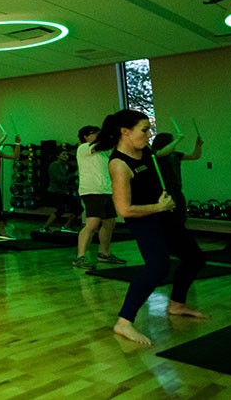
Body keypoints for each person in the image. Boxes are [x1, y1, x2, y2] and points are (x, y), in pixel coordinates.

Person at [97, 110, 206, 345]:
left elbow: (161, 154)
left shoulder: (144, 151)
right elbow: (124, 210)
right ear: (125, 131)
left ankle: (177, 304)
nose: (149, 135)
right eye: (144, 130)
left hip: (164, 214)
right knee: (158, 268)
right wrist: (158, 207)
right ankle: (124, 323)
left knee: (195, 257)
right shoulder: (119, 164)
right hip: (144, 220)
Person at [73, 126, 126, 269]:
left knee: (109, 223)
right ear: (86, 136)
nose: (98, 135)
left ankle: (104, 254)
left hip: (105, 190)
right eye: (95, 133)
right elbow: (104, 144)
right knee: (92, 224)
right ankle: (80, 257)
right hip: (91, 190)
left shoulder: (104, 152)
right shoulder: (84, 148)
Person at [152, 130, 203, 226]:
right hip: (164, 192)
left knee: (181, 217)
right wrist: (179, 139)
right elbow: (161, 153)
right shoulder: (156, 154)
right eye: (171, 142)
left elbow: (194, 156)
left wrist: (198, 145)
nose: (174, 145)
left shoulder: (175, 155)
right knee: (169, 219)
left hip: (177, 190)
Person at [39, 146, 82, 233]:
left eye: (67, 154)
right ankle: (44, 227)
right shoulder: (54, 165)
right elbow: (59, 179)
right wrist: (74, 175)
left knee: (78, 208)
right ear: (57, 156)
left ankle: (66, 226)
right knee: (61, 210)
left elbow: (66, 179)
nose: (66, 156)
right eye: (64, 154)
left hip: (63, 191)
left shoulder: (64, 166)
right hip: (55, 192)